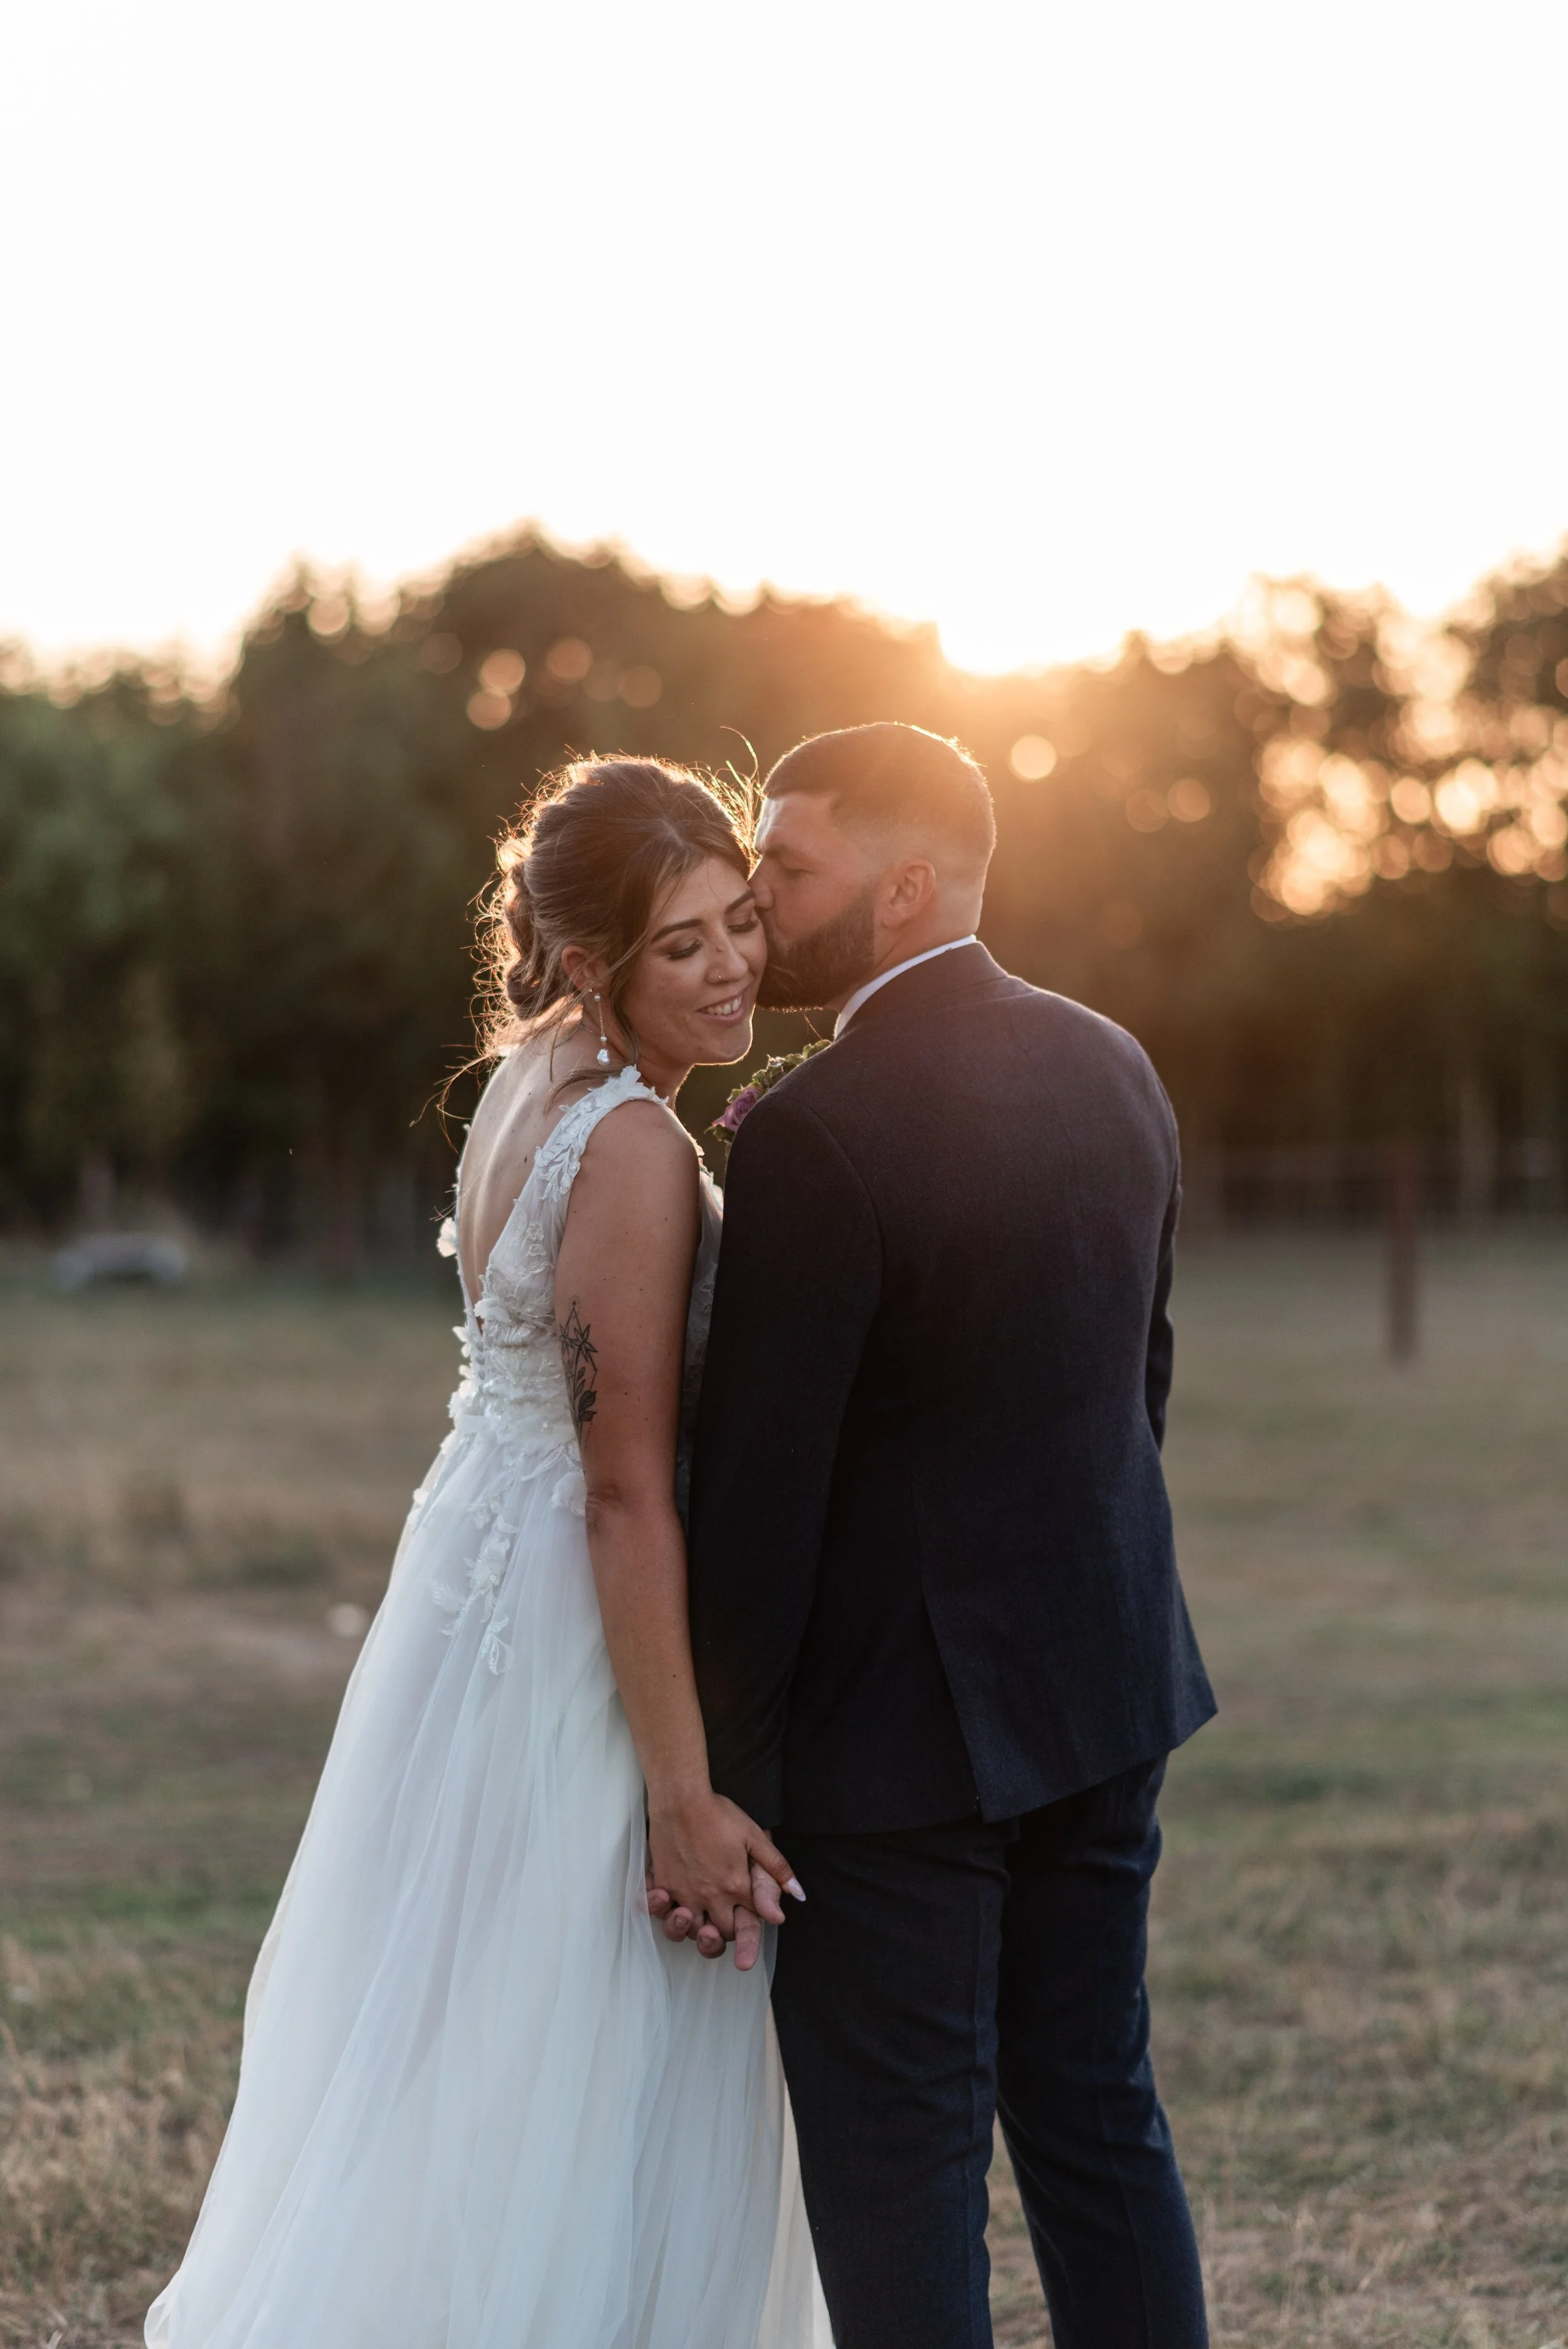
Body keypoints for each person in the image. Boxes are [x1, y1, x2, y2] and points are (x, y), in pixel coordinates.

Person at [147, 759, 827, 2349]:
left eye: (739, 923)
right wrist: (679, 1792)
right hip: (581, 1618)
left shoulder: (526, 1080)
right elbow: (622, 1489)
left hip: (475, 1576)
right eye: (682, 945)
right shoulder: (636, 1148)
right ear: (592, 961)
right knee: (579, 2026)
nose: (731, 965)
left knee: (477, 2022)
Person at [684, 721, 1217, 2349]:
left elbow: (756, 1505)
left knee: (899, 2170)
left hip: (893, 1749)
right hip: (1103, 1687)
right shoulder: (1112, 1061)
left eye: (788, 868)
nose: (759, 902)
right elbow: (1139, 1376)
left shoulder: (811, 1132)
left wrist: (725, 1786)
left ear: (905, 890)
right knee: (1093, 2119)